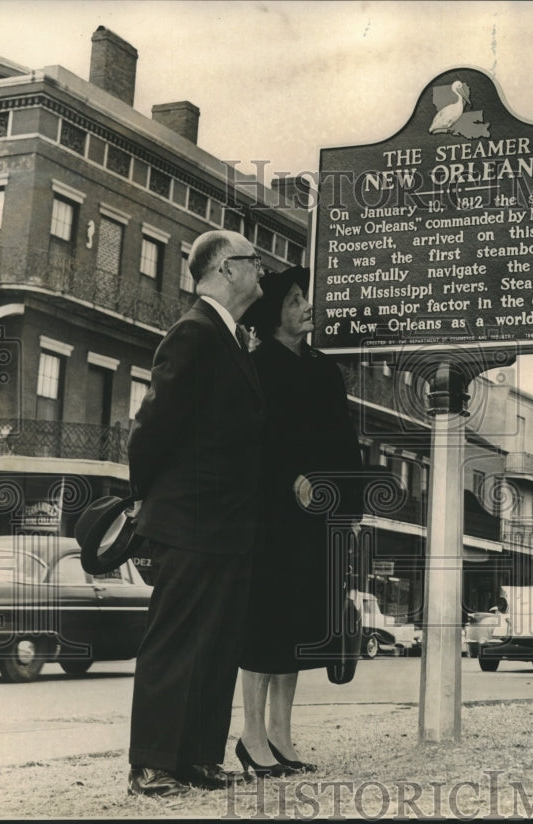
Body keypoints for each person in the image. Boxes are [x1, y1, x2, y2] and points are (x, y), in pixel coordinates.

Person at [126, 230, 265, 796]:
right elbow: (151, 426)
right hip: (189, 521)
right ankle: (153, 763)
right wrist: (143, 497)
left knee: (218, 642)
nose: (262, 270)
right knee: (177, 640)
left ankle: (200, 757)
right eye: (253, 261)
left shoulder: (230, 339)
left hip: (228, 523)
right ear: (224, 270)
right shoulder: (194, 332)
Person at [234, 267, 365, 778]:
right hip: (272, 513)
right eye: (293, 301)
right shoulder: (258, 365)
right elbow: (254, 437)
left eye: (303, 299)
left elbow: (344, 442)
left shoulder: (324, 369)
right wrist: (290, 477)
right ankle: (250, 734)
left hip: (319, 515)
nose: (306, 306)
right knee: (264, 626)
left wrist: (349, 506)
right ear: (273, 317)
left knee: (295, 629)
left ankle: (281, 736)